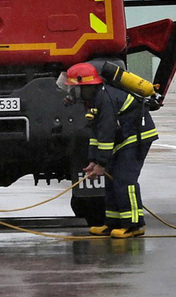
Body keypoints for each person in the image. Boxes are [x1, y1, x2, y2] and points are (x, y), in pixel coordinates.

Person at [66, 61, 157, 238]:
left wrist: (102, 163)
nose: (71, 93)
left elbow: (106, 136)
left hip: (136, 138)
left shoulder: (105, 99)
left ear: (85, 86)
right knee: (111, 181)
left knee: (125, 180)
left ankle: (134, 225)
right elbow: (95, 133)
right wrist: (93, 161)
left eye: (74, 88)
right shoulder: (92, 99)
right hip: (122, 139)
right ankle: (113, 223)